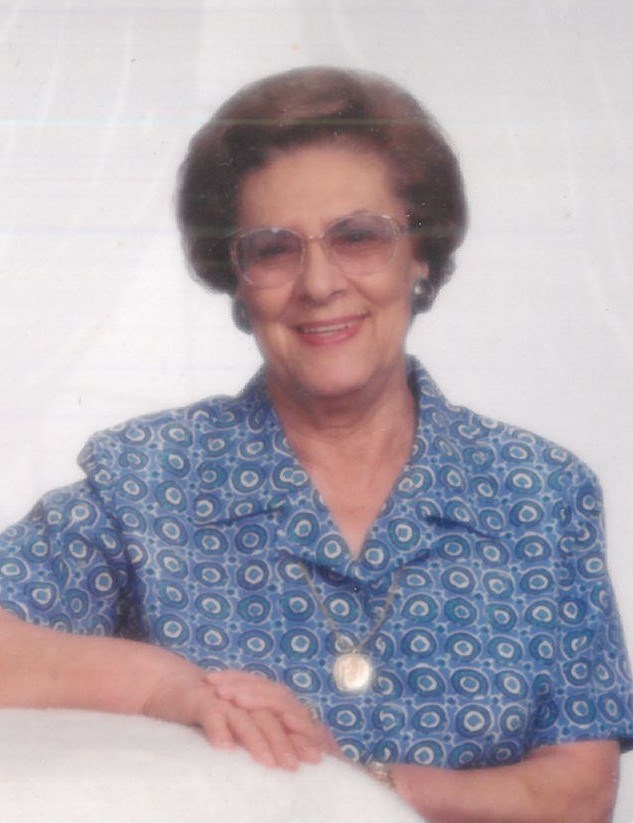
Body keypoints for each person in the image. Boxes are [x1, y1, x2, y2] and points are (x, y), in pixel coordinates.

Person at [0, 66, 631, 822]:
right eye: (273, 249)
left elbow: (579, 792)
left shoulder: (540, 490)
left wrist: (351, 787)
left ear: (420, 252)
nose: (319, 283)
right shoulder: (148, 477)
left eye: (358, 236)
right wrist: (166, 689)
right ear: (235, 278)